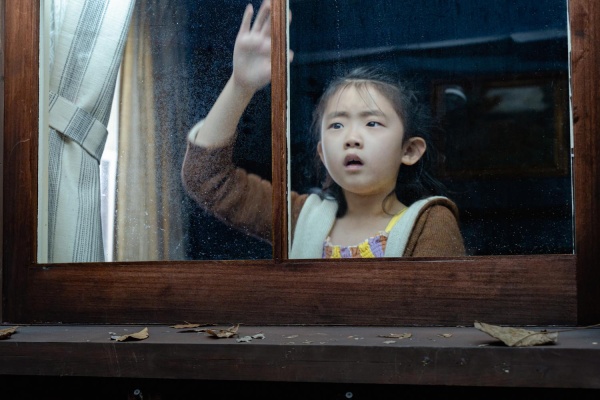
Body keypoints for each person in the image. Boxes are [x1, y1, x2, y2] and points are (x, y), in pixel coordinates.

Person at [181, 0, 465, 258]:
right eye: (337, 125)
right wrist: (241, 86)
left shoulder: (428, 223)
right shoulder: (301, 218)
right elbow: (205, 178)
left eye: (372, 123)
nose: (351, 138)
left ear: (410, 150)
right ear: (322, 153)